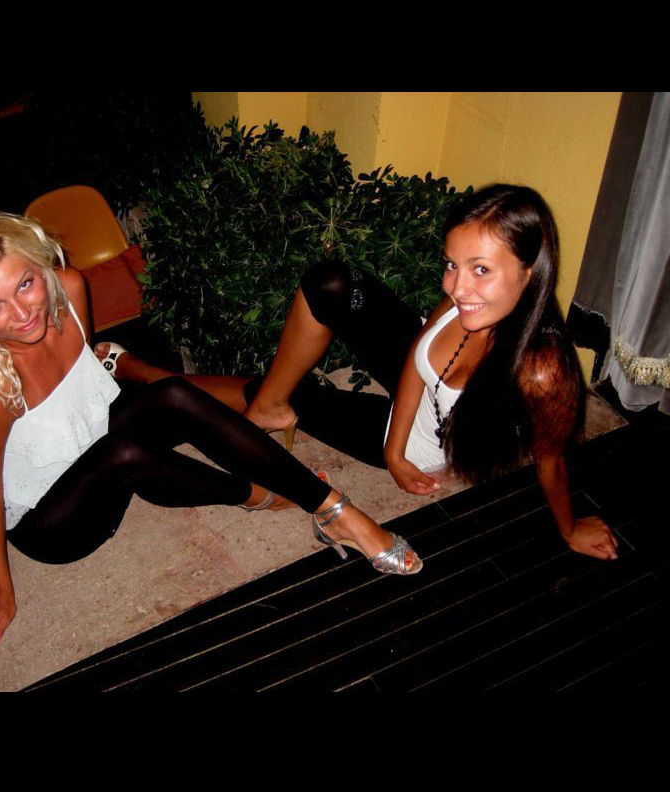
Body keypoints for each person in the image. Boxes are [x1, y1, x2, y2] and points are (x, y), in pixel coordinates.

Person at [0, 213, 421, 662]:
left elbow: (80, 390)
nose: (21, 313)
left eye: (25, 284)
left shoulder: (68, 289)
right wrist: (1, 593)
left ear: (41, 267)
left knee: (173, 396)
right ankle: (258, 494)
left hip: (101, 447)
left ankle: (335, 512)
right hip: (57, 522)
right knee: (127, 452)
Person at [101, 184, 618, 562]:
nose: (458, 287)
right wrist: (393, 447)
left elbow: (552, 461)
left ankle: (145, 372)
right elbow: (416, 355)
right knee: (333, 284)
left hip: (424, 441)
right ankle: (271, 406)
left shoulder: (542, 371)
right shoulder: (467, 301)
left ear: (529, 273)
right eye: (452, 264)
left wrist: (570, 528)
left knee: (283, 394)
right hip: (410, 409)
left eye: (481, 269)